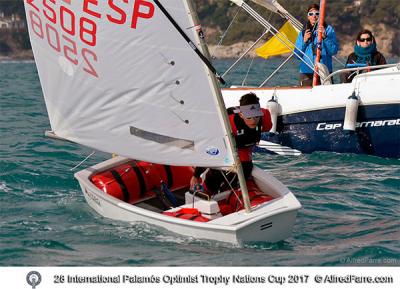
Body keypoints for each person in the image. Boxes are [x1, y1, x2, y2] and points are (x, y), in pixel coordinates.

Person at [190, 93, 272, 195]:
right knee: (218, 171)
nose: (253, 121)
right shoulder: (229, 123)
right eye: (249, 117)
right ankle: (207, 189)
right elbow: (211, 147)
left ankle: (230, 193)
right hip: (225, 144)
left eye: (256, 117)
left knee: (245, 169)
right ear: (241, 115)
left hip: (243, 149)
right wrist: (197, 174)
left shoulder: (265, 119)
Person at [294, 3, 339, 86]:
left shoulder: (328, 30)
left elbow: (334, 51)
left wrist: (325, 38)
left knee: (327, 96)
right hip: (306, 71)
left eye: (317, 13)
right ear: (308, 16)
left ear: (321, 15)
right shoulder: (303, 32)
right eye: (311, 14)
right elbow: (297, 55)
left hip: (324, 70)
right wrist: (304, 42)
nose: (314, 16)